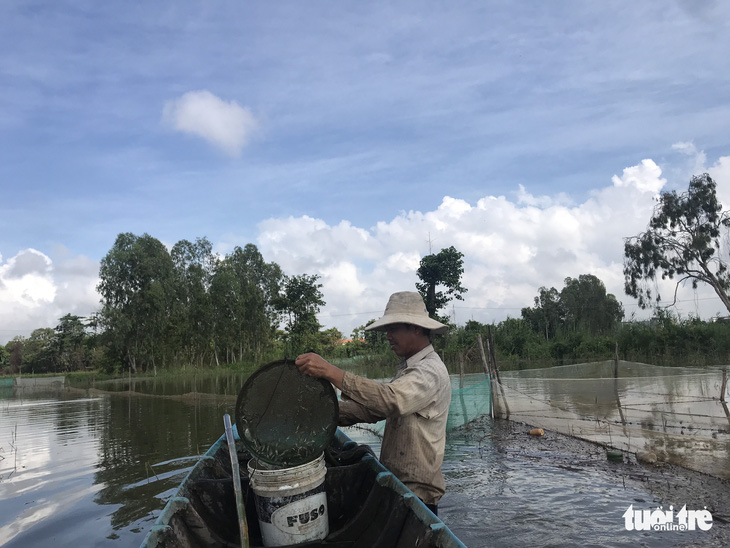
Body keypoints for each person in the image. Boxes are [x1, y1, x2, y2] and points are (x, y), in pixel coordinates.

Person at [295, 291, 451, 515]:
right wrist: (322, 413)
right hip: (399, 489)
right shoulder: (409, 369)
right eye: (387, 329)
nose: (387, 335)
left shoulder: (429, 371)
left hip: (418, 498)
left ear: (416, 328)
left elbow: (390, 400)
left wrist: (331, 372)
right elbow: (372, 410)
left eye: (393, 328)